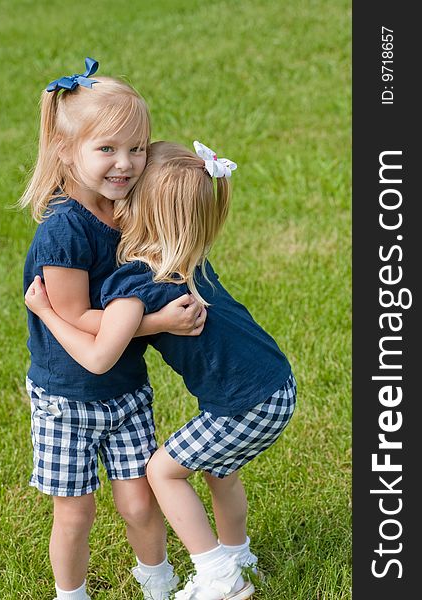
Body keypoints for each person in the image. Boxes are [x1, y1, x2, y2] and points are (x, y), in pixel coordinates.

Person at [25, 140, 297, 600]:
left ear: (140, 208)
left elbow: (98, 357)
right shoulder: (186, 258)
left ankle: (217, 576)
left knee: (163, 472)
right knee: (219, 469)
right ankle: (239, 555)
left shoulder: (136, 280)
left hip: (240, 406)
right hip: (277, 385)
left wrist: (46, 311)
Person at [20, 59, 208, 600]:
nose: (125, 164)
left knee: (140, 500)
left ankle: (159, 584)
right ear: (64, 148)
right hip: (67, 396)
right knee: (75, 510)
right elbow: (77, 317)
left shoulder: (126, 210)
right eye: (107, 149)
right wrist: (159, 321)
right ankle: (70, 595)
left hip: (125, 391)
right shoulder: (63, 232)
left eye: (137, 148)